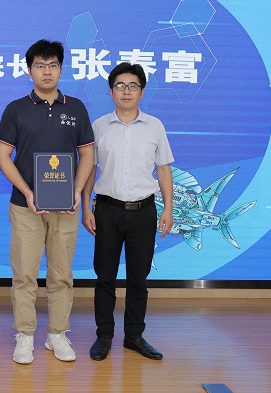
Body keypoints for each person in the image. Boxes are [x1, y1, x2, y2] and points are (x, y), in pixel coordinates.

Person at [0, 39, 94, 365]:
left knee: (61, 274)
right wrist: (27, 191)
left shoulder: (76, 108)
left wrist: (76, 191)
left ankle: (57, 334)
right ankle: (25, 335)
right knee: (25, 274)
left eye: (53, 65)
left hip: (66, 207)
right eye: (40, 65)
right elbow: (2, 156)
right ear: (30, 70)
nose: (47, 71)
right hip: (25, 206)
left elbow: (87, 154)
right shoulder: (16, 109)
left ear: (61, 69)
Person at [81, 62, 174, 362]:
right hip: (107, 210)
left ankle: (134, 336)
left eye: (133, 86)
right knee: (104, 277)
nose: (126, 91)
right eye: (120, 86)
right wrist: (86, 205)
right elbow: (90, 169)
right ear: (110, 92)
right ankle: (104, 335)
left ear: (142, 92)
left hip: (143, 212)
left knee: (138, 278)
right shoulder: (98, 126)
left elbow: (163, 169)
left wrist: (168, 209)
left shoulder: (155, 126)